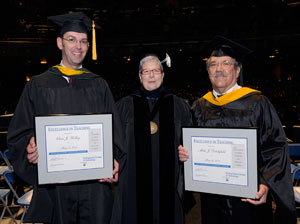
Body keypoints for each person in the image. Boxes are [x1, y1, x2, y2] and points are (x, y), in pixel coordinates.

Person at [7, 12, 126, 224]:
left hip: (93, 187)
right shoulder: (39, 84)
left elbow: (114, 132)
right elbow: (20, 131)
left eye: (83, 41)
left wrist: (114, 160)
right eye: (71, 39)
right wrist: (30, 146)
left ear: (89, 46)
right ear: (60, 43)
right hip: (57, 187)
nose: (78, 46)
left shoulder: (98, 85)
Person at [178, 36, 296, 224]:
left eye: (225, 63)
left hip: (250, 197)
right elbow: (190, 147)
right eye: (213, 64)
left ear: (237, 69)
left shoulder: (257, 102)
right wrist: (184, 153)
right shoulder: (199, 106)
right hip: (212, 198)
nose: (218, 69)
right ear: (208, 71)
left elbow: (275, 148)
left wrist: (265, 184)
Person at [116, 53, 194, 224]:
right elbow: (114, 145)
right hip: (134, 187)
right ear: (139, 76)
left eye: (156, 71)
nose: (151, 75)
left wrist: (189, 154)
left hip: (169, 187)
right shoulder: (124, 106)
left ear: (163, 75)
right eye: (146, 71)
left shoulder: (179, 106)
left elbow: (191, 143)